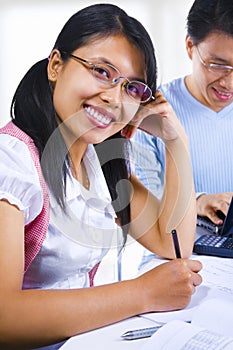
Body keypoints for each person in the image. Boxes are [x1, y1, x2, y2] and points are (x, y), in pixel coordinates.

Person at [0, 4, 202, 349]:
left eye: (132, 88)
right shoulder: (13, 163)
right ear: (56, 65)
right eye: (101, 71)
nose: (113, 98)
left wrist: (176, 142)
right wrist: (143, 293)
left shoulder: (98, 158)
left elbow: (172, 243)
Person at [132, 0, 233, 230]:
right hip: (169, 254)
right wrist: (197, 201)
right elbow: (138, 205)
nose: (229, 83)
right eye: (217, 65)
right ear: (189, 46)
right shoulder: (153, 112)